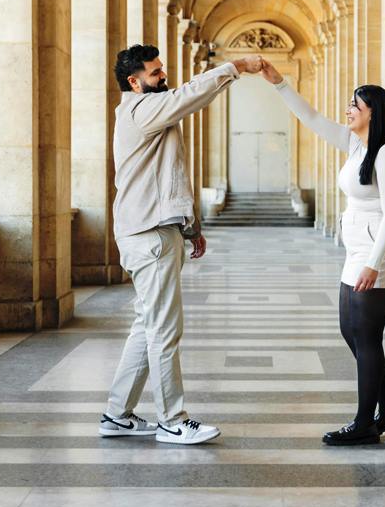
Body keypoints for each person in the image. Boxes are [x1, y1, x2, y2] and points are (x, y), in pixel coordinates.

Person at [99, 45, 264, 445]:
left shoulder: (150, 111)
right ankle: (172, 419)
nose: (163, 77)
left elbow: (168, 178)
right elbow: (190, 95)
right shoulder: (141, 110)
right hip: (150, 235)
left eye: (162, 70)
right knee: (164, 330)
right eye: (155, 74)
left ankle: (117, 414)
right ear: (134, 82)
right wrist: (237, 66)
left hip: (155, 230)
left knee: (147, 325)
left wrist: (192, 229)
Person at [261, 60, 385, 445]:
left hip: (381, 252)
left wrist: (374, 265)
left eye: (355, 106)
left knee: (366, 335)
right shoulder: (356, 143)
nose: (347, 110)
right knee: (352, 331)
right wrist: (280, 84)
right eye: (349, 104)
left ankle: (365, 423)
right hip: (358, 250)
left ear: (373, 114)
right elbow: (310, 117)